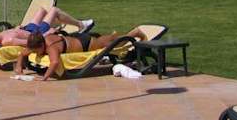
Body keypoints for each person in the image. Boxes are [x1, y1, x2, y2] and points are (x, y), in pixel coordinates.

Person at [17, 27, 149, 81]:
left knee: (113, 44)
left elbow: (55, 62)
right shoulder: (36, 43)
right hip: (73, 39)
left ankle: (134, 33)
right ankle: (117, 35)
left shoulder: (51, 47)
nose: (35, 53)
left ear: (42, 46)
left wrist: (44, 78)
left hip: (85, 44)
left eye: (36, 51)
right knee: (108, 39)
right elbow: (22, 54)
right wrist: (19, 68)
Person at [0, 6, 94, 48]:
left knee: (42, 10)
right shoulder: (8, 40)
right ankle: (81, 25)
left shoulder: (1, 35)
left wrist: (17, 29)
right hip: (37, 33)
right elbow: (30, 43)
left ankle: (58, 22)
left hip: (28, 28)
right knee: (55, 10)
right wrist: (46, 34)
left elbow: (15, 32)